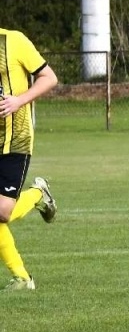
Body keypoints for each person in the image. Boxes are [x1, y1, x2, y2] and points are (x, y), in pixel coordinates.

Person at [0, 23, 60, 292]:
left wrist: (19, 100)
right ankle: (22, 278)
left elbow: (49, 77)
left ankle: (38, 194)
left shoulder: (14, 41)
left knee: (2, 211)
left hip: (16, 140)